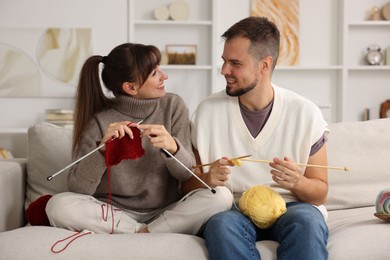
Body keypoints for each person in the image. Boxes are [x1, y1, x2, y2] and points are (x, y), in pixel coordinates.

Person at [46, 43, 233, 235]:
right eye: (154, 73)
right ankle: (142, 232)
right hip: (114, 213)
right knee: (57, 205)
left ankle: (147, 231)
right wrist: (102, 151)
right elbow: (78, 188)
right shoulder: (99, 122)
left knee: (221, 196)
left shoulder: (172, 106)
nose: (164, 76)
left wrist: (173, 147)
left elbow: (186, 175)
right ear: (130, 87)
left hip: (166, 211)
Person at [183, 16, 329, 259]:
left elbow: (320, 192)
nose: (224, 70)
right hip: (233, 209)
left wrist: (298, 183)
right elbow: (185, 186)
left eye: (235, 63)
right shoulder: (207, 112)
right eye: (224, 61)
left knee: (307, 221)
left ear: (264, 65)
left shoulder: (305, 113)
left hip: (291, 207)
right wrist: (207, 178)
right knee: (221, 225)